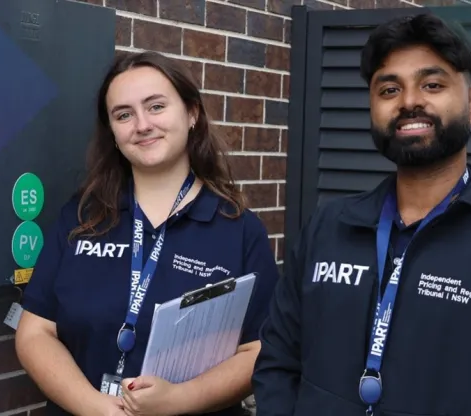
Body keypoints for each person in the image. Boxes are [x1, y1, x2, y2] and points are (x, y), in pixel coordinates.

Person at [252, 12, 471, 416]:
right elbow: (278, 360)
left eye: (432, 84)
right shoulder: (329, 226)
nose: (409, 102)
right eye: (389, 89)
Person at [16, 50, 280, 416]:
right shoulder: (82, 218)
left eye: (156, 107)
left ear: (191, 113)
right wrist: (96, 408)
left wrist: (179, 400)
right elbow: (34, 333)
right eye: (124, 114)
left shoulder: (238, 229)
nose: (141, 125)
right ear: (113, 132)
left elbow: (259, 350)